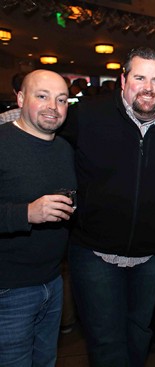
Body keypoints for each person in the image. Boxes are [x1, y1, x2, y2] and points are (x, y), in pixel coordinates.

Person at [61, 47, 155, 367]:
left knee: (140, 333)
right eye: (140, 77)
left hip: (151, 255)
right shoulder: (87, 116)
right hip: (94, 253)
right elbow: (51, 154)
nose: (148, 87)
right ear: (123, 80)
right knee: (105, 340)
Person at [0, 70, 76, 366]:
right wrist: (27, 213)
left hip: (53, 281)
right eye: (42, 96)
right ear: (20, 98)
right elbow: (31, 210)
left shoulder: (63, 148)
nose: (52, 107)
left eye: (61, 100)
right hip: (9, 288)